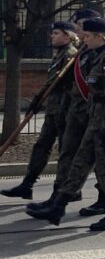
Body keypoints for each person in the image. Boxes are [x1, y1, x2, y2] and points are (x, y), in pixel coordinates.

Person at [26, 17, 105, 230]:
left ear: (101, 37)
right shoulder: (94, 56)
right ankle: (58, 206)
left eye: (89, 36)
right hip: (96, 120)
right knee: (80, 163)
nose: (85, 39)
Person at [2, 21, 79, 200]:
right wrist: (37, 99)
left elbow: (61, 83)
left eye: (56, 33)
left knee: (65, 150)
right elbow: (51, 81)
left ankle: (65, 190)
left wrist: (40, 97)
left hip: (65, 110)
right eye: (53, 33)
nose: (52, 36)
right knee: (41, 146)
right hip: (54, 108)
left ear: (67, 35)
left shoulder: (70, 55)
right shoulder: (60, 54)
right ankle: (27, 184)